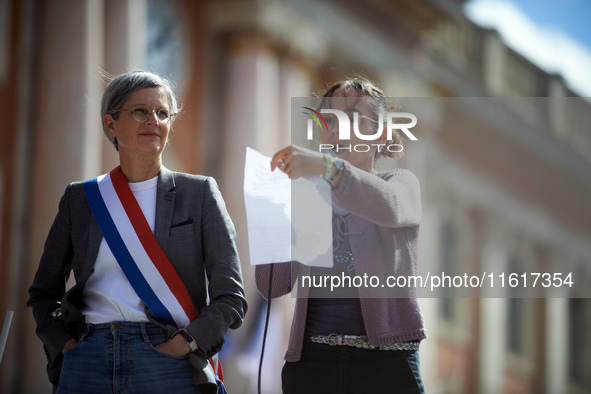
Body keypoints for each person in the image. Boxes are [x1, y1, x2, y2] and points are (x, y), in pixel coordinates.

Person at [28, 70, 247, 394]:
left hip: (167, 356)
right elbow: (43, 292)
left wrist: (187, 343)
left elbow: (230, 296)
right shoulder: (82, 198)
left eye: (162, 113)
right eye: (140, 111)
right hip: (88, 355)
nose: (153, 121)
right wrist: (66, 345)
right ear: (111, 124)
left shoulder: (199, 194)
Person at [256, 78, 426, 393]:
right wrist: (275, 215)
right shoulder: (308, 197)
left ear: (382, 134)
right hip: (311, 365)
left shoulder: (401, 182)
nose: (339, 129)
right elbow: (272, 284)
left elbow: (389, 206)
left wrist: (329, 168)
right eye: (330, 120)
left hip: (386, 366)